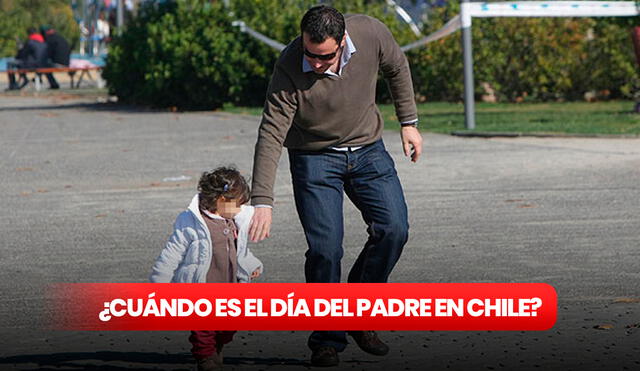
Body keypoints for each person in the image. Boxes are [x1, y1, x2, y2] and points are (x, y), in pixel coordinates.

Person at [248, 5, 423, 367]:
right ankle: (327, 338)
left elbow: (397, 67)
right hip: (314, 158)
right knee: (326, 250)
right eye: (309, 53)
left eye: (323, 56)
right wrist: (262, 200)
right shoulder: (290, 64)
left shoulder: (372, 34)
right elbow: (270, 132)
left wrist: (408, 121)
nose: (314, 63)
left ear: (343, 41)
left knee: (394, 229)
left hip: (367, 151)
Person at [150, 167, 263, 371]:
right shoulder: (191, 222)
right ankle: (205, 357)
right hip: (201, 286)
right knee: (203, 329)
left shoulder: (233, 221)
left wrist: (252, 264)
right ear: (220, 200)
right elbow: (171, 253)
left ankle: (216, 345)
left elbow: (240, 251)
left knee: (228, 327)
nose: (240, 210)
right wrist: (160, 282)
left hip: (229, 285)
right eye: (237, 205)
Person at [40, 26, 72, 90]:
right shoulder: (60, 38)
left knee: (43, 66)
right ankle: (38, 79)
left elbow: (47, 54)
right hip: (67, 63)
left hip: (59, 64)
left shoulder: (50, 39)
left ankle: (53, 84)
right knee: (45, 65)